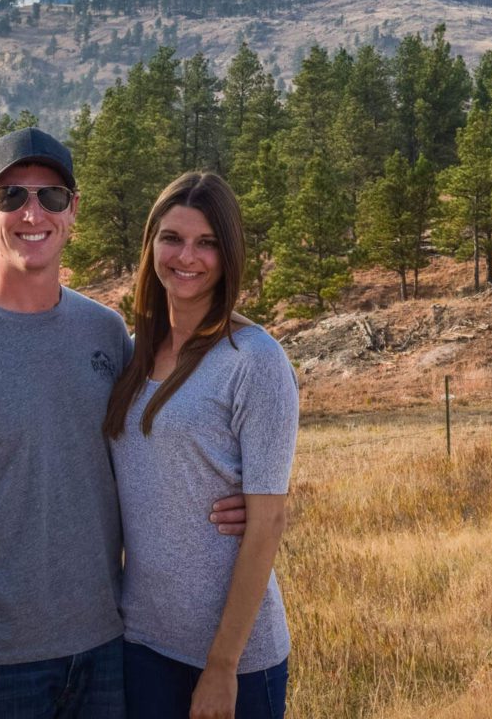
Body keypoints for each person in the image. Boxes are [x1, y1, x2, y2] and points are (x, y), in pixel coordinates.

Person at [0, 128, 247, 719]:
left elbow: (165, 440)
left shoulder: (104, 334)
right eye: (11, 197)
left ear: (72, 211)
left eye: (51, 197)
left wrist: (248, 501)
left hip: (106, 648)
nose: (33, 213)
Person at [105, 172, 299, 719]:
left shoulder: (254, 361)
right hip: (141, 640)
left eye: (207, 242)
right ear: (150, 246)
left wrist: (222, 666)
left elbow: (267, 520)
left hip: (232, 658)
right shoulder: (135, 352)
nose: (186, 256)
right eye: (172, 238)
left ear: (228, 253)